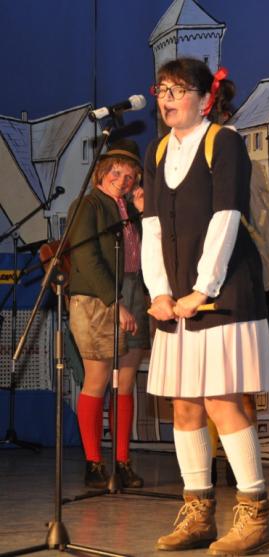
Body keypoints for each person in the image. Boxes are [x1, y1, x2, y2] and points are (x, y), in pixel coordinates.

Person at [143, 58, 269, 554]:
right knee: (183, 404)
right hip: (177, 299)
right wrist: (159, 292)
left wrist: (203, 289)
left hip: (223, 292)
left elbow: (226, 217)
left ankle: (256, 515)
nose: (167, 98)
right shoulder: (158, 150)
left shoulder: (225, 141)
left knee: (222, 401)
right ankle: (199, 513)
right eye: (162, 89)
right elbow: (152, 227)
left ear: (205, 100)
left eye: (178, 89)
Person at [67, 139, 148, 489]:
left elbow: (145, 253)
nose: (123, 180)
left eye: (130, 176)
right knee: (98, 379)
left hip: (133, 291)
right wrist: (115, 303)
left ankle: (122, 461)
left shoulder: (130, 210)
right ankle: (94, 463)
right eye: (117, 172)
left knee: (126, 382)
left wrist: (143, 214)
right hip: (97, 298)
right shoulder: (88, 205)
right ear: (102, 171)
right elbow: (86, 257)